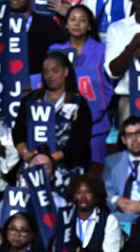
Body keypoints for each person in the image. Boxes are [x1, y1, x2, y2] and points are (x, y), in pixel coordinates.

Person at [13, 50, 94, 198]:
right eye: (46, 72)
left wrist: (50, 159)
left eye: (55, 71)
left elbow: (80, 142)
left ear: (66, 72)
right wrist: (27, 154)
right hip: (32, 164)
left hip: (66, 168)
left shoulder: (78, 103)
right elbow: (18, 132)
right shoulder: (31, 100)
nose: (49, 76)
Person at [50, 3, 112, 166]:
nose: (77, 24)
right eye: (73, 20)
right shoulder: (55, 50)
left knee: (95, 172)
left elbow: (106, 86)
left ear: (90, 25)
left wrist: (93, 113)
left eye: (82, 20)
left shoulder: (101, 50)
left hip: (95, 123)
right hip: (62, 124)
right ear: (66, 23)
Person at [102, 0, 140, 123]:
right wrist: (131, 49)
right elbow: (113, 71)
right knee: (131, 141)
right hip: (129, 99)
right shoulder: (117, 29)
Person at [103, 116, 140, 232]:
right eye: (129, 135)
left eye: (138, 134)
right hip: (119, 216)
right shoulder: (112, 161)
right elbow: (105, 190)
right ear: (123, 140)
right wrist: (116, 200)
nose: (134, 139)